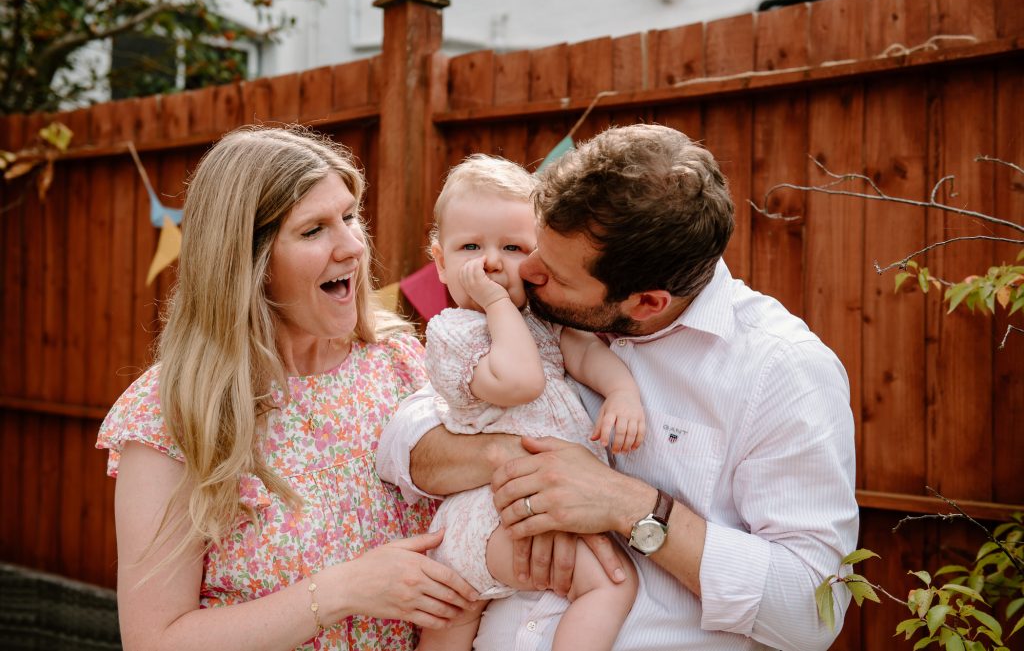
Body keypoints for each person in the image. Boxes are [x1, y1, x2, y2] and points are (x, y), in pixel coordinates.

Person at [377, 124, 859, 650]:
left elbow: (813, 611)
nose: (525, 271)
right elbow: (405, 442)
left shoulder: (780, 370)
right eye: (535, 245)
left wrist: (630, 506)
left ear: (646, 302)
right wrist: (517, 459)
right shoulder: (535, 309)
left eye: (555, 272)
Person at [96, 126, 479, 651]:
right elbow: (153, 641)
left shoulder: (402, 366)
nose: (352, 246)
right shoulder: (175, 411)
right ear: (248, 263)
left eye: (349, 217)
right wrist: (343, 589)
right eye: (313, 230)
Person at [404, 155, 642, 651]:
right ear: (440, 262)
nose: (491, 261)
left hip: (527, 508)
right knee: (610, 585)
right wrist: (494, 303)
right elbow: (520, 382)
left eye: (512, 247)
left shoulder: (545, 323)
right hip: (494, 514)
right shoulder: (455, 333)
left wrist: (622, 392)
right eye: (471, 246)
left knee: (451, 623)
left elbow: (588, 356)